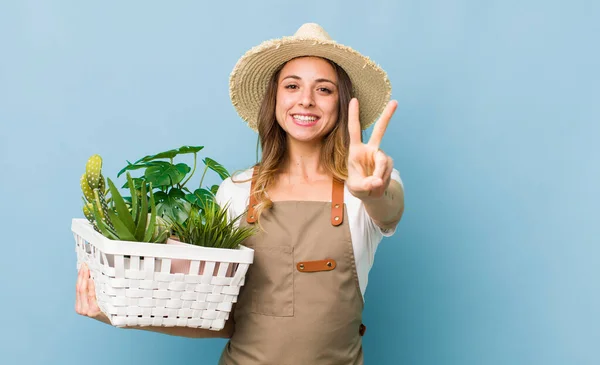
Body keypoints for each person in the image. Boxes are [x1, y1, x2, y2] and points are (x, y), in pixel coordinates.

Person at [75, 23, 404, 364]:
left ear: (342, 103)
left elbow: (390, 209)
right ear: (275, 99)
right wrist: (116, 310)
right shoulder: (235, 191)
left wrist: (373, 192)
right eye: (292, 86)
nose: (306, 99)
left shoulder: (366, 183)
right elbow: (217, 318)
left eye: (324, 89)